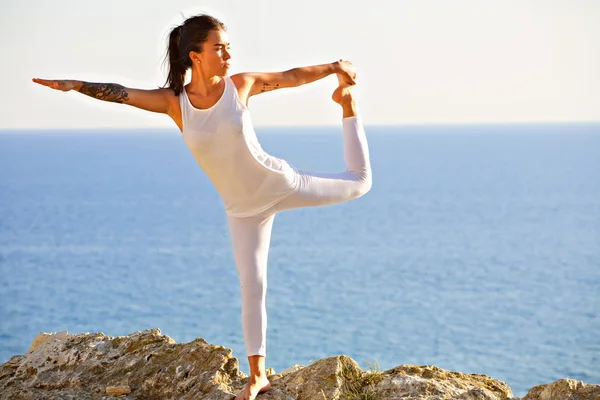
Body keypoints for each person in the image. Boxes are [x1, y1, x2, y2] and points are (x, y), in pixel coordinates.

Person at [32, 13, 372, 400]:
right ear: (195, 55)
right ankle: (257, 376)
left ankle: (347, 104)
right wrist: (77, 86)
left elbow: (292, 76)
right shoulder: (174, 103)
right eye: (219, 48)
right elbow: (122, 93)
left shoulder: (240, 85)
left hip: (279, 184)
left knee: (360, 182)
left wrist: (334, 69)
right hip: (242, 209)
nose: (228, 54)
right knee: (252, 286)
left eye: (228, 46)